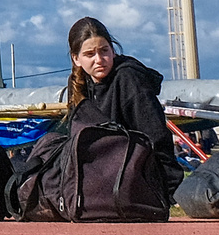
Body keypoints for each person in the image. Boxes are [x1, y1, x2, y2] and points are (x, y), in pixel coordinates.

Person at [58, 18, 176, 154]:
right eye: (90, 54)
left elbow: (157, 137)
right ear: (76, 59)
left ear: (113, 51)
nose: (99, 60)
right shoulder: (77, 83)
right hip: (95, 163)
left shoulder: (129, 78)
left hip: (132, 162)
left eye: (104, 51)